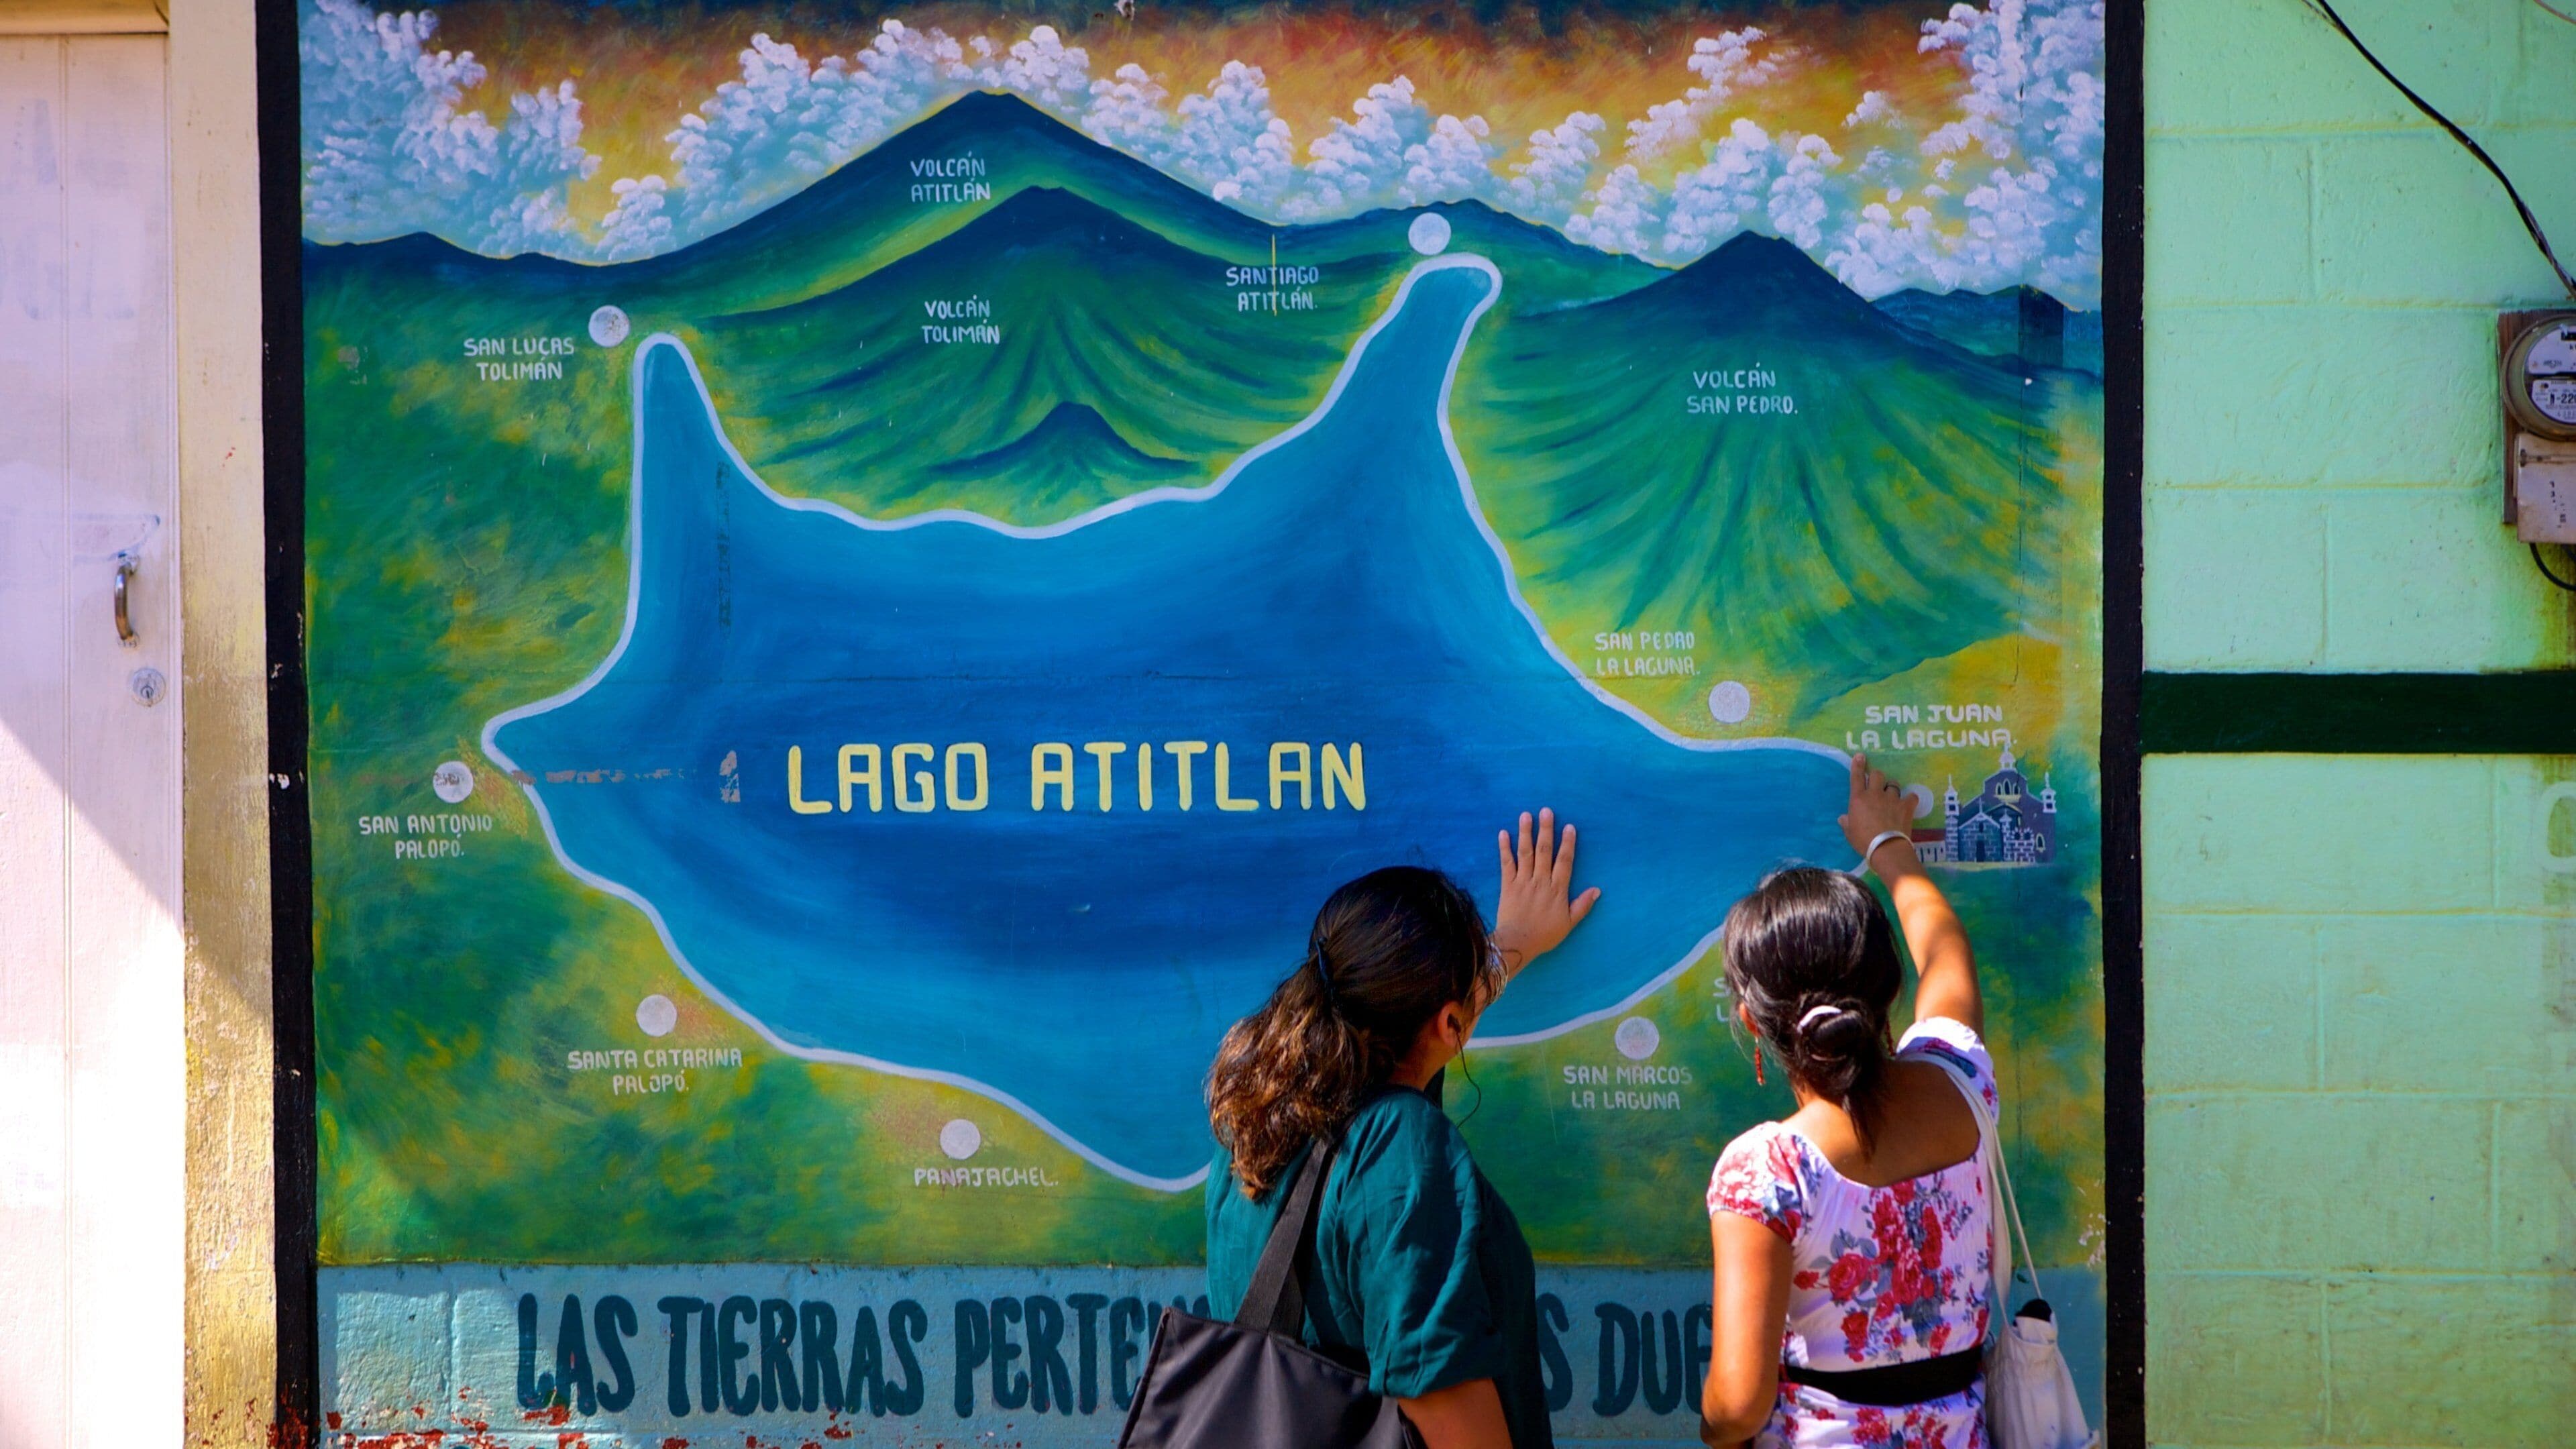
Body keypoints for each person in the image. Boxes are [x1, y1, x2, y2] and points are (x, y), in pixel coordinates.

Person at [1203, 810, 1600, 1449]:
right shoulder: (1400, 1142)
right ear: (1449, 1024)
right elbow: (1435, 1387)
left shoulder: (1255, 1121)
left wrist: (1512, 942)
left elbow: (1423, 1024)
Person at [1699, 755, 1996, 1449]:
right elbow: (1947, 956)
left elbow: (1739, 1405)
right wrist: (1888, 845)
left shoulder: (1769, 1172)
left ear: (1751, 1021)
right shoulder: (1961, 1085)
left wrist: (1712, 1422)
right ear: (1889, 988)